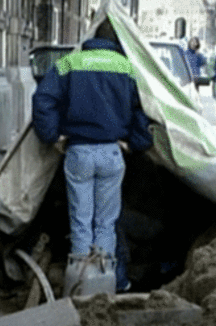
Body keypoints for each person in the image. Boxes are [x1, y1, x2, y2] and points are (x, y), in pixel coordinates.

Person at [32, 18, 153, 292]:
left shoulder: (70, 63)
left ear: (92, 37)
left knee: (80, 221)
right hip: (112, 153)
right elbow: (146, 110)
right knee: (106, 224)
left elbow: (43, 99)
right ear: (118, 42)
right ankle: (106, 288)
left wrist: (53, 136)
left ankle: (81, 290)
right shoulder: (128, 68)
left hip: (79, 152)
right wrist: (134, 143)